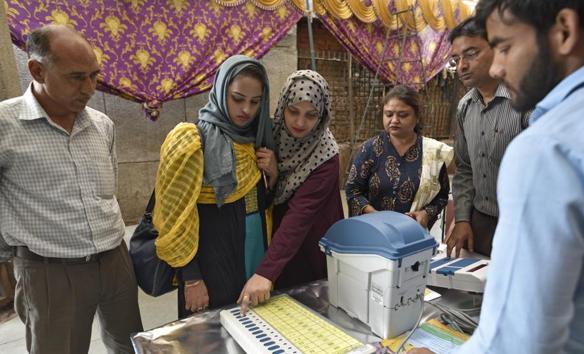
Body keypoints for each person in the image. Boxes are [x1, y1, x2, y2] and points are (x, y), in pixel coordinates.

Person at [410, 0, 584, 353]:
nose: (497, 67)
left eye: (504, 47)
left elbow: (516, 342)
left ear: (564, 31)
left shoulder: (550, 147)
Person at [0, 25, 142, 354]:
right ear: (37, 69)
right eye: (77, 77)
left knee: (129, 344)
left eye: (94, 76)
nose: (89, 88)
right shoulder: (6, 127)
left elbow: (108, 190)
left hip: (114, 261)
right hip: (50, 271)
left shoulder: (101, 124)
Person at [153, 55, 276, 318]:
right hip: (211, 263)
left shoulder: (257, 139)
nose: (246, 110)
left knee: (250, 332)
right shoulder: (191, 140)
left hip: (252, 256)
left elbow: (261, 203)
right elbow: (173, 218)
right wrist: (192, 278)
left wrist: (272, 175)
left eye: (255, 102)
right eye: (238, 98)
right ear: (221, 91)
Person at [238, 70, 344, 312]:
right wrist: (274, 177)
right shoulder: (270, 135)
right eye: (293, 111)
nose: (299, 123)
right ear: (282, 105)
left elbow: (300, 216)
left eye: (310, 115)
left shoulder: (326, 156)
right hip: (277, 240)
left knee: (309, 307)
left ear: (322, 115)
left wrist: (265, 272)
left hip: (313, 242)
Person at [447, 17, 527, 258]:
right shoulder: (464, 107)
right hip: (479, 221)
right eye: (456, 59)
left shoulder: (525, 104)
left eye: (471, 54)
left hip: (520, 225)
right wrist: (461, 218)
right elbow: (464, 168)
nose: (462, 66)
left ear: (498, 49)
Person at [345, 85, 452, 230]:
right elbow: (353, 191)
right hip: (373, 231)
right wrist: (377, 217)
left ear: (417, 117)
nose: (394, 120)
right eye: (389, 114)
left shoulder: (432, 152)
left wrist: (425, 214)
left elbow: (442, 195)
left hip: (412, 233)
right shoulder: (369, 149)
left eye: (402, 115)